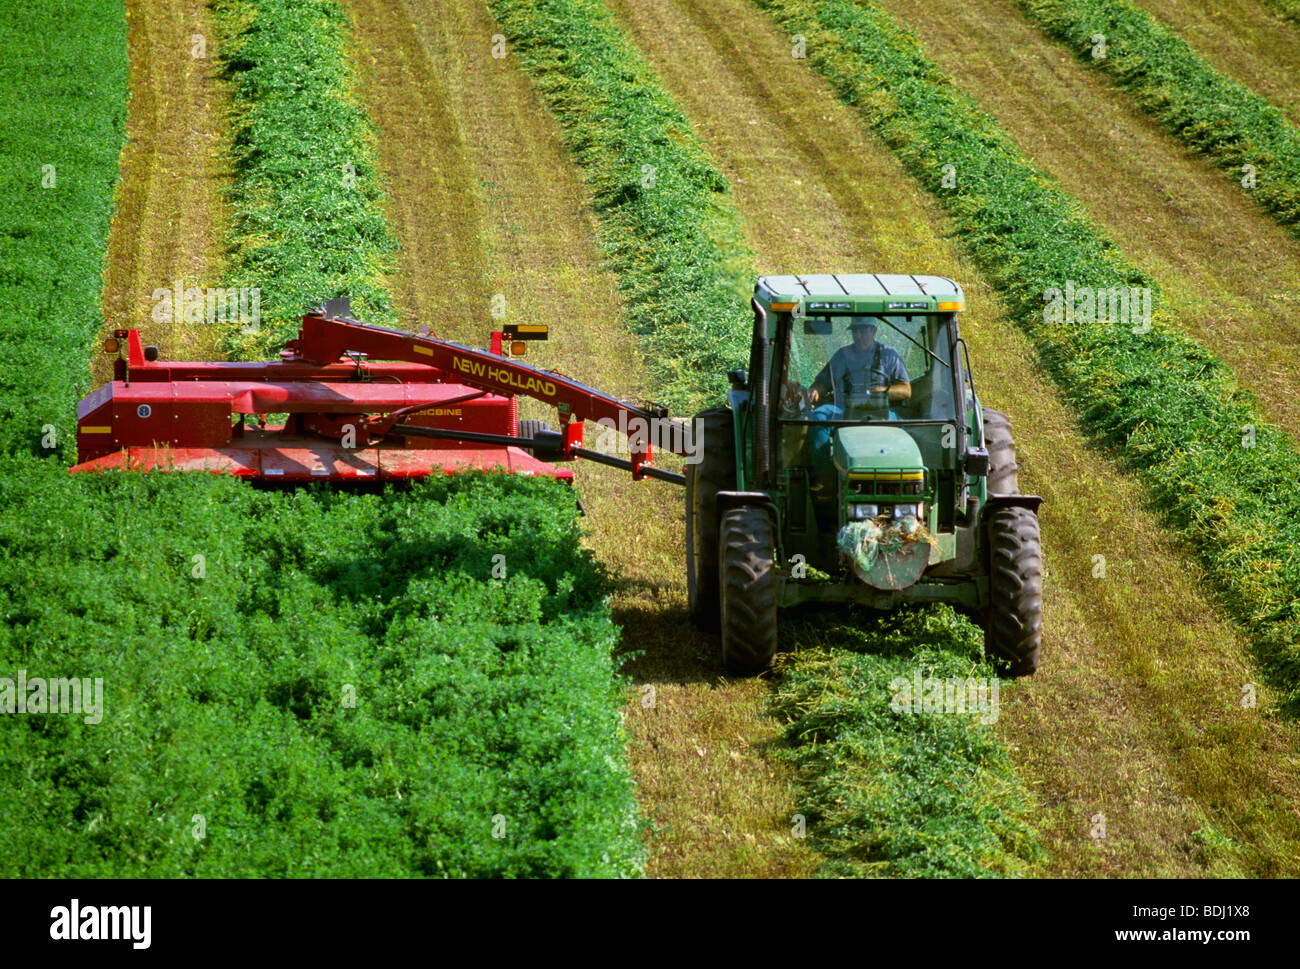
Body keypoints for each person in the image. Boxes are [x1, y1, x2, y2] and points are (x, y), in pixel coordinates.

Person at [805, 317, 910, 477]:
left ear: (873, 331)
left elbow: (906, 390)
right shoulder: (842, 355)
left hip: (879, 412)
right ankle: (824, 477)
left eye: (863, 330)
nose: (859, 335)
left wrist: (881, 391)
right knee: (818, 417)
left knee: (901, 428)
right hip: (843, 411)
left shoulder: (889, 355)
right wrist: (815, 390)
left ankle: (896, 474)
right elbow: (823, 382)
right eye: (855, 331)